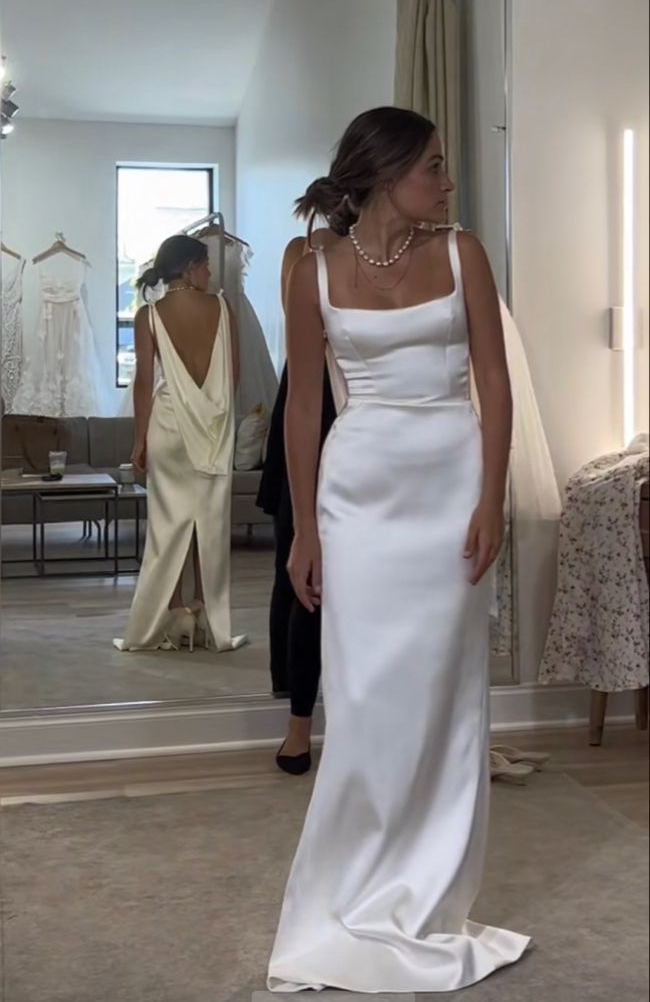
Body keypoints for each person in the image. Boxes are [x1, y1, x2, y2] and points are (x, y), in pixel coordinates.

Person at [267, 107, 530, 992]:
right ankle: (348, 893)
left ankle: (429, 899)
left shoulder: (462, 254)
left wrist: (491, 498)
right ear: (384, 175)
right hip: (358, 498)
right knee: (363, 697)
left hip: (450, 488)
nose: (447, 183)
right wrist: (305, 528)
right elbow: (304, 408)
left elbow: (493, 382)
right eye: (434, 168)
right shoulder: (310, 270)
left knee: (446, 699)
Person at [114, 235, 247, 655]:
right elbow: (234, 375)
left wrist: (140, 438)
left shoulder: (149, 315)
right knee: (211, 522)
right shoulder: (222, 308)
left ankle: (174, 614)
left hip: (168, 426)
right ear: (189, 267)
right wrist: (212, 413)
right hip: (214, 428)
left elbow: (144, 382)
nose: (210, 272)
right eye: (205, 265)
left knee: (167, 526)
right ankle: (207, 613)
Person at [257, 228, 339, 775]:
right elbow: (300, 327)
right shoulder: (303, 252)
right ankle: (296, 710)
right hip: (314, 391)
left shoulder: (407, 248)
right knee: (300, 565)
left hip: (362, 400)